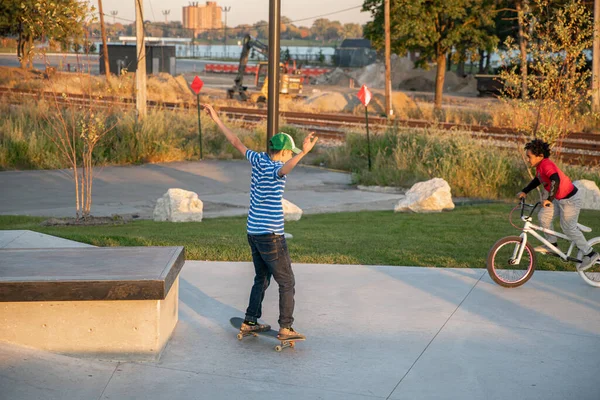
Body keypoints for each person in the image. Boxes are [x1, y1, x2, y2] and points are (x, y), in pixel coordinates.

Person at [203, 103, 318, 340]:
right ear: (285, 152)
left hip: (253, 232)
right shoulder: (276, 168)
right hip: (271, 235)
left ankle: (250, 320)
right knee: (287, 281)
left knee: (262, 278)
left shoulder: (257, 160)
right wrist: (304, 153)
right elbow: (285, 169)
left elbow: (235, 141)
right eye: (291, 152)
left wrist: (216, 118)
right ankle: (286, 327)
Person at [517, 139, 599, 271]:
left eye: (529, 156)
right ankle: (552, 245)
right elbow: (538, 180)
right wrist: (525, 191)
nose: (527, 159)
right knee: (543, 216)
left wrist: (549, 198)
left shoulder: (546, 165)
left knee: (568, 228)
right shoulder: (540, 167)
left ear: (540, 156)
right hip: (558, 199)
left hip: (570, 200)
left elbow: (556, 179)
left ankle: (590, 254)